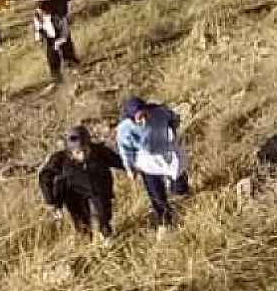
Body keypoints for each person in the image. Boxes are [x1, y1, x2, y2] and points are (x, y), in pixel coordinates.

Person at [115, 97, 189, 239]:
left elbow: (174, 119)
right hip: (146, 158)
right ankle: (164, 221)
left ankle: (181, 193)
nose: (143, 121)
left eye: (145, 115)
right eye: (139, 118)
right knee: (155, 192)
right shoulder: (125, 129)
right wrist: (130, 168)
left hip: (167, 150)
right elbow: (125, 149)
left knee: (179, 179)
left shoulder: (160, 113)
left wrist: (172, 132)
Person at [39, 126, 123, 243]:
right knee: (81, 224)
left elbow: (120, 162)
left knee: (103, 215)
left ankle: (106, 238)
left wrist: (134, 168)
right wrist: (51, 201)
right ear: (71, 151)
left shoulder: (100, 152)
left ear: (90, 146)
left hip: (98, 189)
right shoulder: (60, 159)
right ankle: (87, 246)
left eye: (85, 150)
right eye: (78, 152)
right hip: (73, 193)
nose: (82, 155)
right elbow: (44, 177)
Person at [32, 0, 80, 82]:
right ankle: (56, 76)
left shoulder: (58, 15)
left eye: (44, 8)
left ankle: (74, 68)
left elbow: (65, 29)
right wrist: (39, 38)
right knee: (52, 56)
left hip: (61, 35)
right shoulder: (38, 15)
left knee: (67, 51)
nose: (43, 11)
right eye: (41, 8)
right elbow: (38, 27)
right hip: (49, 37)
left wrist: (60, 41)